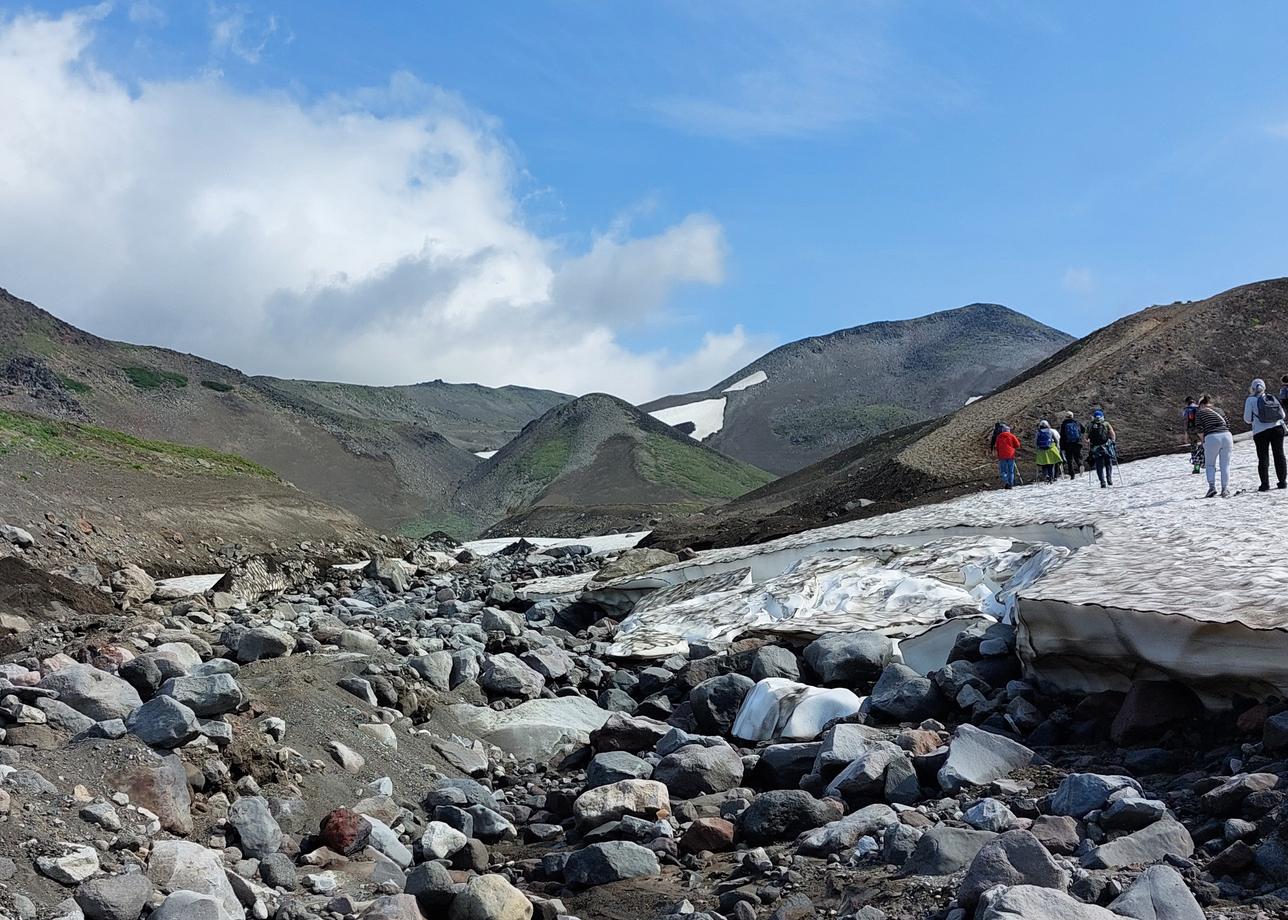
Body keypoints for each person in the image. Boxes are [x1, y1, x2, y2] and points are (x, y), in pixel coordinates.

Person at [1243, 378, 1287, 492]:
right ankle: (1282, 482)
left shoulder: (1250, 400)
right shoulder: (1270, 397)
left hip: (1260, 431)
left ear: (1252, 388)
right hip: (1277, 428)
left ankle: (1265, 484)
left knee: (1263, 457)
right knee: (1279, 454)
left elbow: (1247, 419)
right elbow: (1282, 415)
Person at [1197, 394, 1233, 498]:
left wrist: (1203, 440)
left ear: (1201, 404)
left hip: (1212, 437)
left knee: (1210, 465)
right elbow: (1228, 425)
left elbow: (1199, 429)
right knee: (1225, 465)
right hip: (1227, 436)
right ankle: (1225, 489)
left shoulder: (1200, 412)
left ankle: (1212, 487)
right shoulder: (1219, 410)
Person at [1087, 408, 1117, 488]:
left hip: (1096, 448)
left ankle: (1102, 481)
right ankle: (1109, 478)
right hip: (1106, 446)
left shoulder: (1090, 425)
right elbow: (1112, 433)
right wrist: (1113, 441)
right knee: (1108, 463)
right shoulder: (1106, 423)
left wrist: (1089, 444)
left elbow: (1086, 438)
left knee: (1099, 465)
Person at [993, 423, 1021, 489]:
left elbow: (996, 446)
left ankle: (1006, 482)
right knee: (1010, 471)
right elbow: (1017, 445)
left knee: (1003, 471)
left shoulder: (999, 437)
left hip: (1002, 456)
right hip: (1011, 455)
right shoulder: (1012, 436)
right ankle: (1010, 484)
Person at [1058, 411, 1083, 478]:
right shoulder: (1076, 422)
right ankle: (1080, 465)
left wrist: (1062, 446)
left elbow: (1062, 435)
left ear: (1066, 416)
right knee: (1077, 457)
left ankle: (1072, 475)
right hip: (1077, 443)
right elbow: (1083, 430)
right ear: (1072, 416)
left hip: (1068, 444)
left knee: (1069, 460)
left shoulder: (1064, 424)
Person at [1182, 396, 1202, 474]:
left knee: (1194, 448)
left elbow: (1186, 422)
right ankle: (1210, 465)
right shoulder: (1199, 408)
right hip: (1202, 430)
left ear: (1186, 402)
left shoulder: (1186, 410)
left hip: (1191, 431)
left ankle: (1196, 467)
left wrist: (1186, 434)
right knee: (1205, 447)